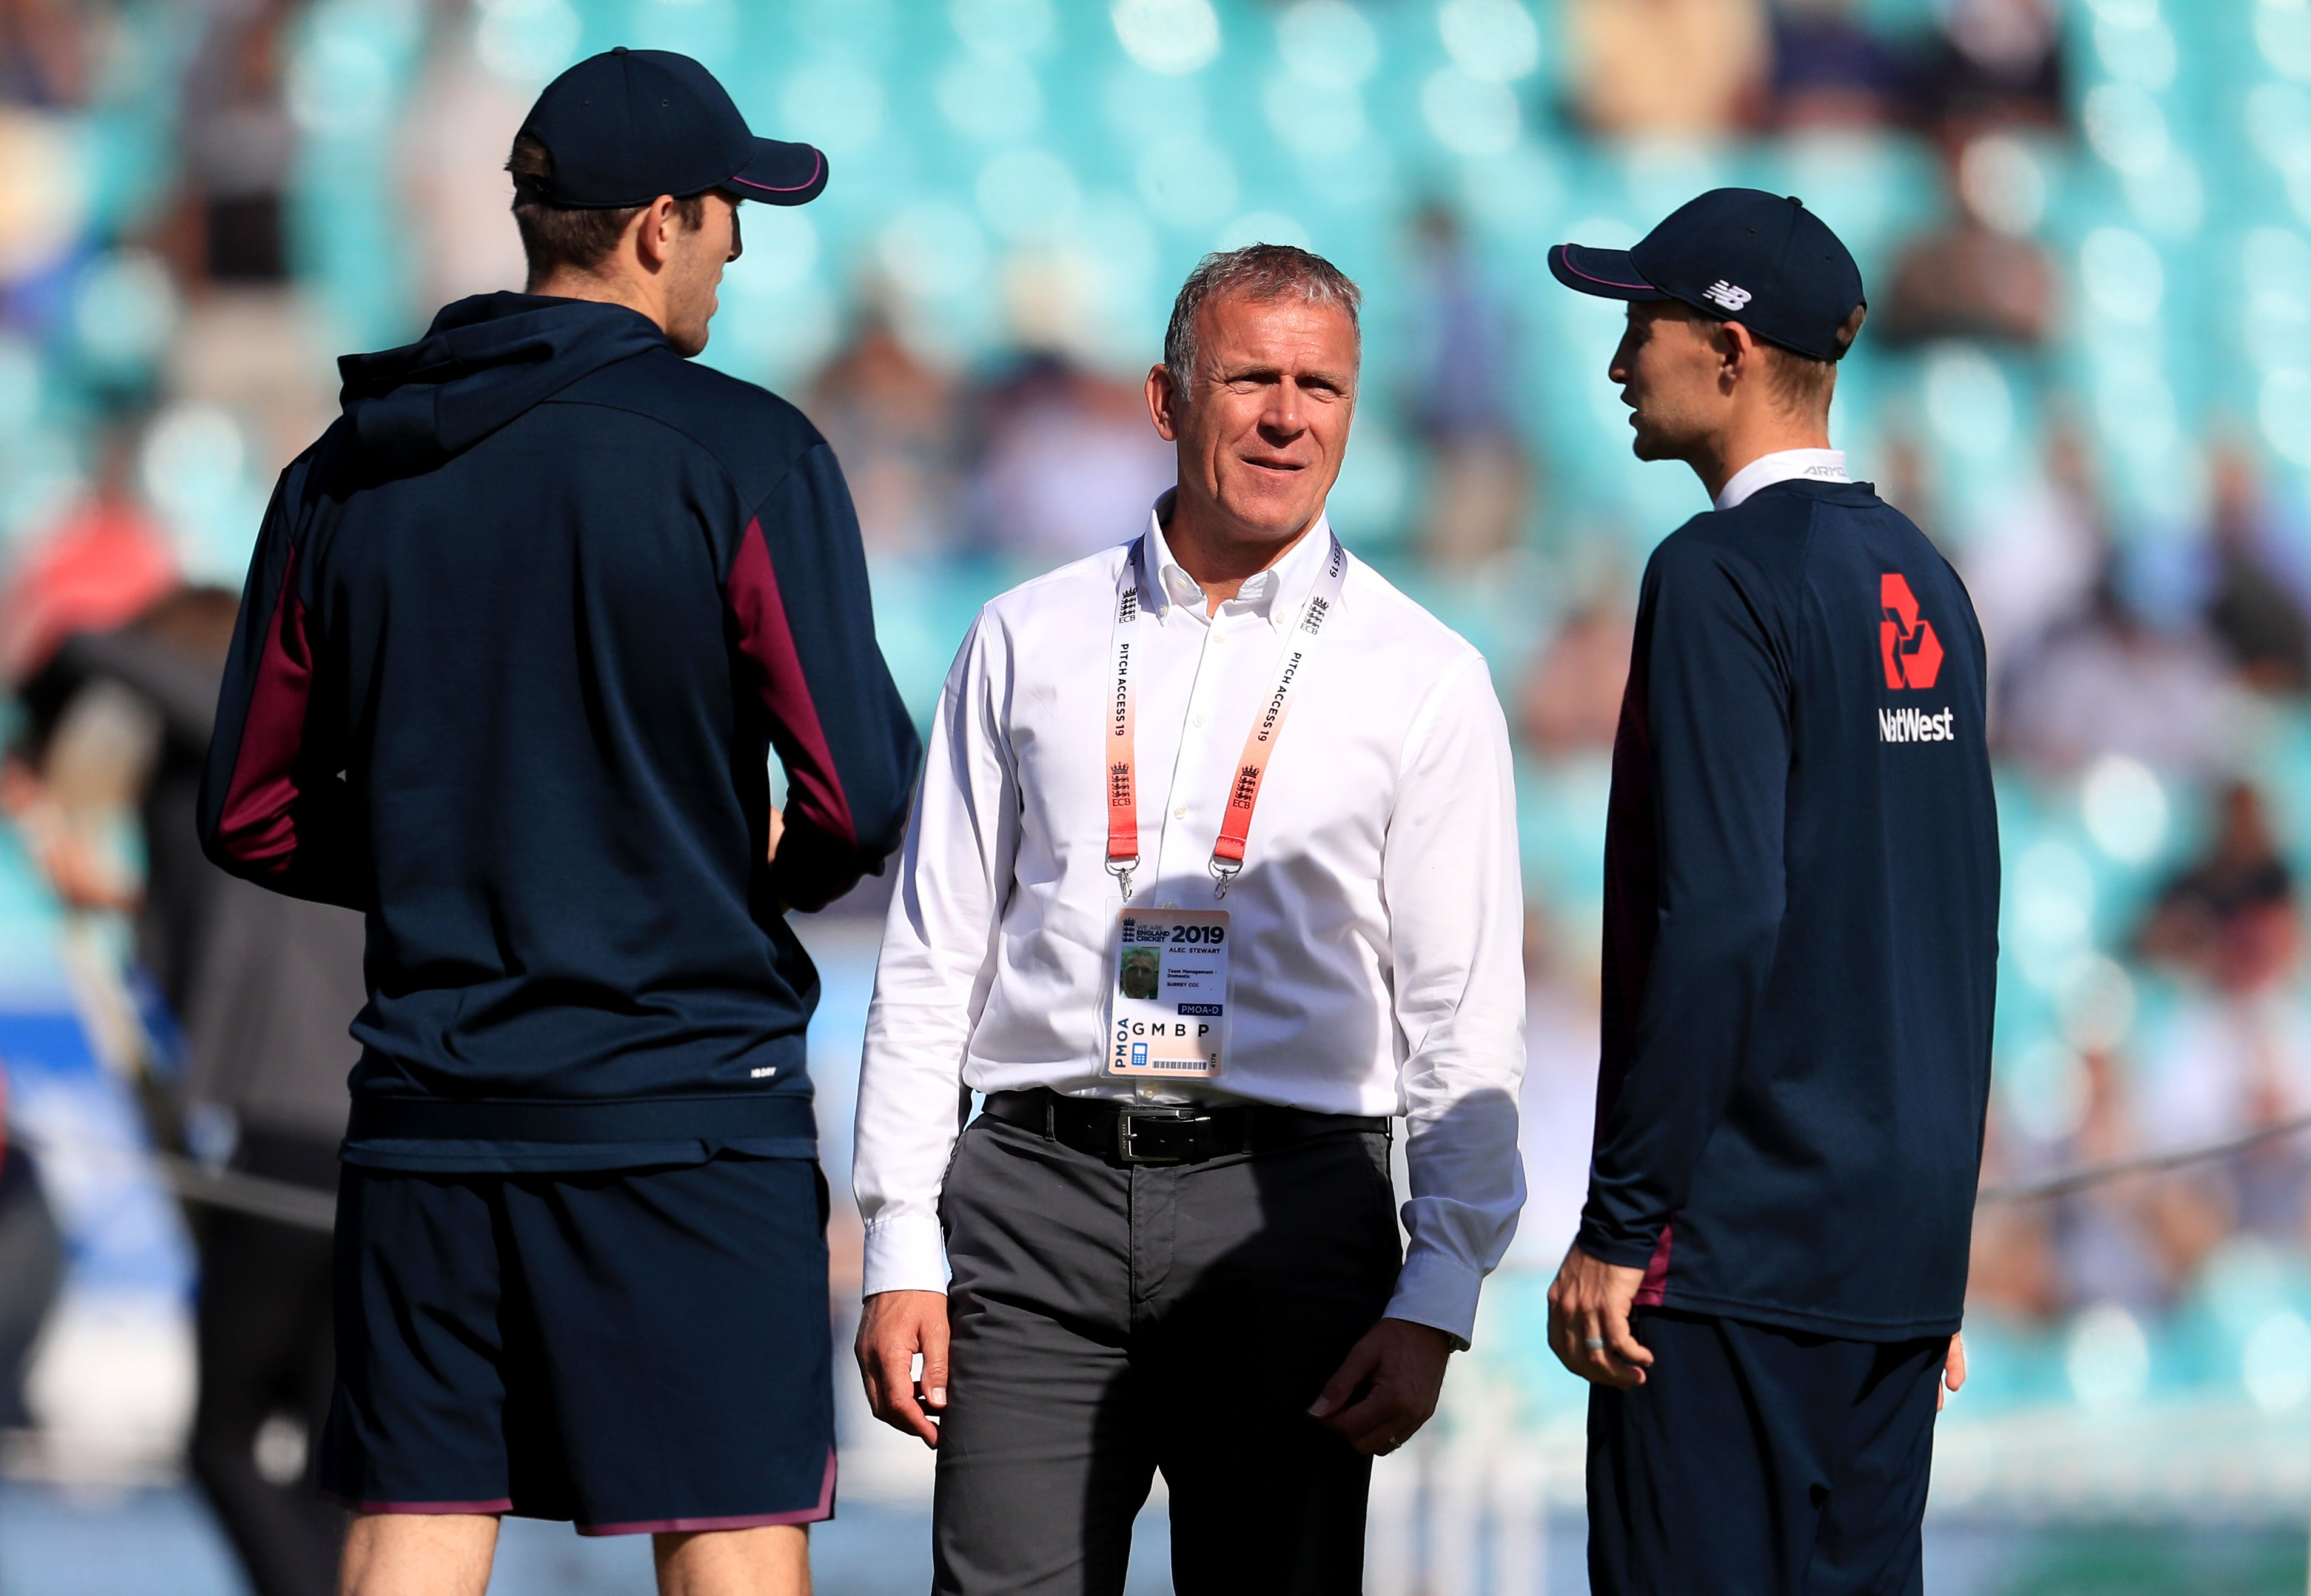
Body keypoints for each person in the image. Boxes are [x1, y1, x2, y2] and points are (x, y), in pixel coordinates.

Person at [196, 48, 920, 1596]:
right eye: (734, 214)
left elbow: (251, 812)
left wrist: (464, 866)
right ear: (660, 224)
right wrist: (728, 880)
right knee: (726, 1531)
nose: (740, 247)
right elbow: (859, 792)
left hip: (425, 1102)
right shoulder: (742, 451)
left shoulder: (343, 467)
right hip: (679, 1102)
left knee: (412, 1528)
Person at [851, 243, 1528, 1594]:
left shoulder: (1425, 677)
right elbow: (933, 953)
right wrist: (897, 1240)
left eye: (1319, 386)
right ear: (1166, 401)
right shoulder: (1023, 635)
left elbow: (1463, 1014)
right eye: (1252, 380)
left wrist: (1440, 1291)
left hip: (1288, 1210)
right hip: (1034, 1200)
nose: (1287, 416)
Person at [1543, 191, 2000, 1594]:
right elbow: (1959, 924)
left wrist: (1623, 1221)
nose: (1620, 360)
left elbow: (1725, 908)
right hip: (1889, 1263)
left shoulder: (1715, 574)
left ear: (1730, 350)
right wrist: (1926, 1250)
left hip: (1734, 1253)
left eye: (1643, 322)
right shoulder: (1925, 570)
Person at [21, 588, 362, 1596]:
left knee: (223, 1440)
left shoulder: (243, 723)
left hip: (297, 1141)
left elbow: (80, 641)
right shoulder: (288, 775)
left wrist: (39, 730)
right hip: (357, 1140)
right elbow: (235, 909)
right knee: (320, 1437)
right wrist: (115, 894)